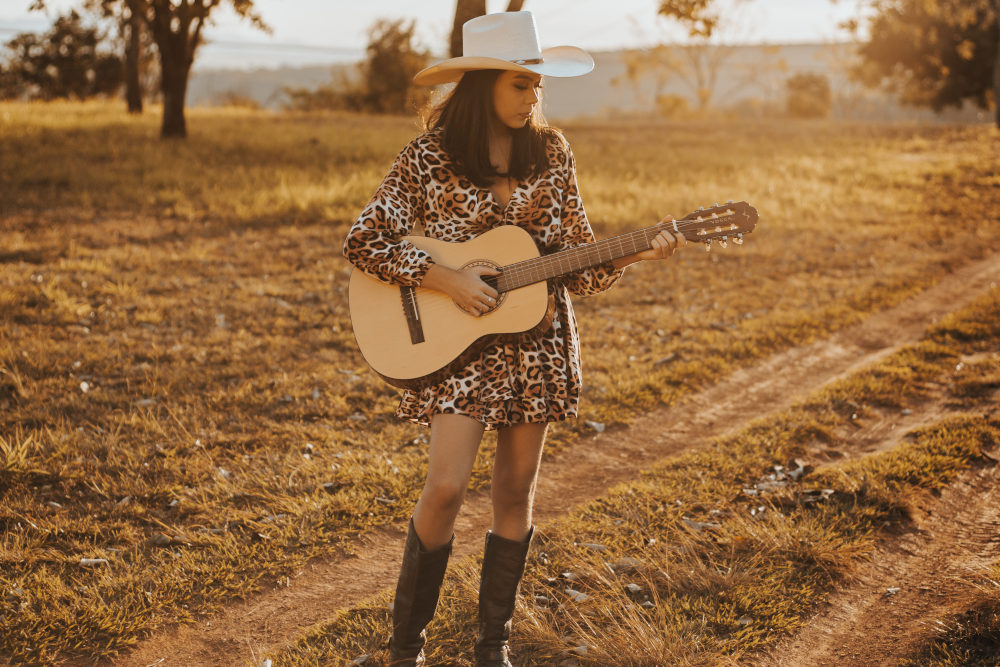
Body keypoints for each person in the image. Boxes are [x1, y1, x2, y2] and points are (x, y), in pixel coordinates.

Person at [342, 11, 686, 667]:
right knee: (445, 485)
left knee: (515, 489)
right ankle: (405, 648)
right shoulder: (429, 156)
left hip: (537, 346)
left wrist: (637, 253)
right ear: (482, 86)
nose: (534, 97)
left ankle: (491, 645)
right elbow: (364, 241)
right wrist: (444, 278)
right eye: (520, 85)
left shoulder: (552, 153)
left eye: (538, 86)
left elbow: (575, 261)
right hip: (457, 350)